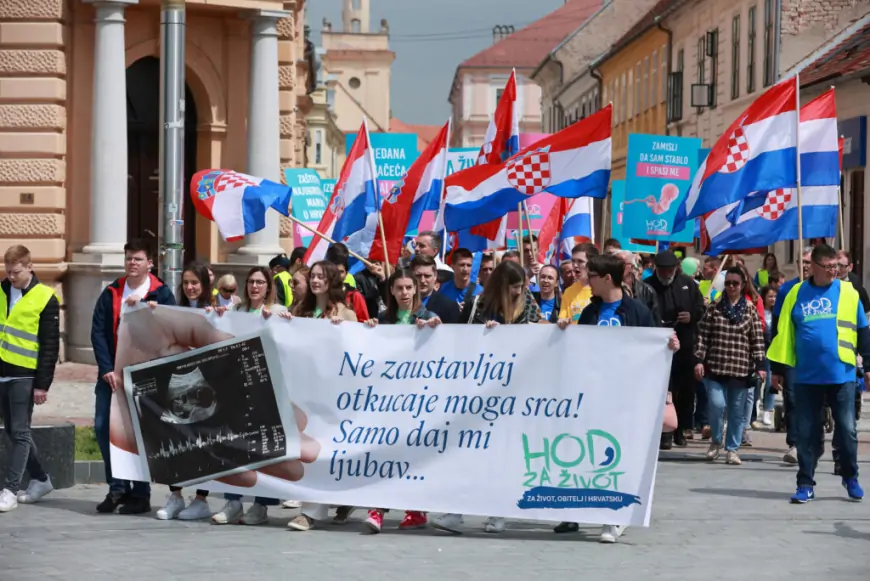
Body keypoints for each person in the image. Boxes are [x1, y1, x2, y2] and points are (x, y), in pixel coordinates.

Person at [554, 253, 679, 543]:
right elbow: (578, 350)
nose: (587, 280)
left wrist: (669, 349)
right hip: (592, 395)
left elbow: (655, 350)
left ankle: (615, 516)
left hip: (627, 397)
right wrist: (565, 332)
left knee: (617, 456)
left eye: (592, 275)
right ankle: (575, 512)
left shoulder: (636, 311)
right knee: (583, 452)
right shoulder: (590, 312)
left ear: (607, 279)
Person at [434, 261, 541, 535]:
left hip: (511, 394)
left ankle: (498, 512)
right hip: (476, 391)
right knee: (467, 453)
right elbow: (459, 340)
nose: (519, 292)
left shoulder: (526, 304)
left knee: (501, 455)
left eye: (521, 287)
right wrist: (484, 335)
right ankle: (455, 512)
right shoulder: (477, 305)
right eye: (514, 287)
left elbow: (538, 333)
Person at [769, 244, 868, 503]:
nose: (834, 272)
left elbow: (864, 330)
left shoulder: (848, 292)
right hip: (805, 377)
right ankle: (805, 483)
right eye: (828, 267)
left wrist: (868, 366)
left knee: (847, 430)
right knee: (807, 433)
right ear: (813, 266)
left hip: (842, 374)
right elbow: (782, 334)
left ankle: (850, 476)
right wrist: (777, 370)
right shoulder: (795, 293)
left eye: (837, 266)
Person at [91, 239, 176, 514]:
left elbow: (170, 329)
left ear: (150, 263)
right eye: (129, 258)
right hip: (111, 378)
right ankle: (117, 488)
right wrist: (106, 369)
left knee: (139, 435)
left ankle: (140, 494)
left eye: (138, 259)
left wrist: (147, 308)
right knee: (104, 429)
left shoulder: (161, 294)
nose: (132, 263)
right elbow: (99, 333)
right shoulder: (112, 292)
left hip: (144, 378)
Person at [362, 268, 441, 533]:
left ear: (416, 289)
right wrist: (369, 330)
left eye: (409, 288)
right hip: (388, 400)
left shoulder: (428, 317)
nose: (405, 293)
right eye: (399, 288)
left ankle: (415, 509)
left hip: (418, 401)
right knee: (385, 453)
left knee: (411, 456)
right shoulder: (384, 320)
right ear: (392, 292)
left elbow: (444, 350)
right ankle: (377, 509)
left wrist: (435, 330)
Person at [209, 266, 288, 526]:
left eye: (260, 282)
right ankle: (233, 501)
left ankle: (261, 505)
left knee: (263, 449)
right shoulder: (237, 312)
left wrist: (282, 321)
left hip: (265, 388)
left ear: (268, 287)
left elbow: (288, 339)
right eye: (251, 282)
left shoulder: (275, 311)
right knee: (235, 446)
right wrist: (218, 316)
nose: (255, 287)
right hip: (237, 388)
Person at [281, 261, 357, 531]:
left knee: (327, 449)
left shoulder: (344, 313)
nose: (315, 281)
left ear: (331, 281)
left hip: (332, 394)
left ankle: (317, 509)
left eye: (321, 277)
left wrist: (342, 332)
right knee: (310, 449)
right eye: (312, 276)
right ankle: (318, 505)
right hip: (304, 392)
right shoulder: (298, 310)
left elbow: (357, 351)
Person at [0, 245, 60, 512]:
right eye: (8, 271)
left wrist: (42, 384)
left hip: (24, 374)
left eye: (16, 272)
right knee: (13, 431)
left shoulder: (46, 297)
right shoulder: (1, 291)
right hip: (1, 372)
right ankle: (41, 479)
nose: (11, 277)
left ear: (29, 266)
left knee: (20, 432)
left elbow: (50, 346)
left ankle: (10, 490)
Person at [155, 262, 215, 521]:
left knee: (205, 443)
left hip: (206, 387)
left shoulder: (216, 312)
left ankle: (201, 499)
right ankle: (176, 495)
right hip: (179, 385)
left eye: (195, 283)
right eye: (186, 283)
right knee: (175, 439)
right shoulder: (175, 310)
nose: (190, 287)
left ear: (204, 285)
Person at [694, 267, 766, 465]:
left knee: (736, 411)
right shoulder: (714, 306)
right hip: (715, 366)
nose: (731, 287)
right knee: (717, 405)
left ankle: (732, 449)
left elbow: (757, 338)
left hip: (741, 368)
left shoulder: (750, 308)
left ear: (742, 286)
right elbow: (703, 335)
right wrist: (699, 360)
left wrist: (760, 364)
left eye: (735, 283)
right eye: (728, 283)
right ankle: (716, 441)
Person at [645, 250, 705, 449]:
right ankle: (665, 433)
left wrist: (692, 316)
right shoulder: (649, 286)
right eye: (662, 271)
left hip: (685, 344)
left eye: (670, 271)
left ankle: (681, 429)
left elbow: (701, 309)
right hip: (658, 345)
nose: (666, 275)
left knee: (685, 391)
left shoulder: (687, 284)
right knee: (664, 390)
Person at [771, 247, 813, 464]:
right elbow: (777, 328)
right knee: (793, 399)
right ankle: (795, 444)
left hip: (817, 357)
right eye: (802, 261)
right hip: (793, 356)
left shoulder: (829, 289)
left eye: (809, 261)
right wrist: (775, 368)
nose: (805, 265)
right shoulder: (786, 290)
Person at [325, 243, 370, 321]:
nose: (337, 276)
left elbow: (364, 326)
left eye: (341, 272)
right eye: (333, 271)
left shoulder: (355, 296)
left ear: (346, 273)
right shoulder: (320, 295)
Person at [410, 254, 460, 323]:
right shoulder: (401, 303)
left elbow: (453, 333)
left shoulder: (449, 307)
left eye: (427, 276)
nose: (422, 280)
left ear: (435, 276)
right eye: (418, 275)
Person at [557, 242, 597, 324]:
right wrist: (562, 323)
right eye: (573, 261)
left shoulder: (602, 290)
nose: (575, 265)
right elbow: (562, 319)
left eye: (580, 261)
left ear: (592, 263)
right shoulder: (568, 292)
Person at [616, 250, 659, 322]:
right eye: (614, 262)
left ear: (632, 267)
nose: (617, 266)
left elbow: (655, 322)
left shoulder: (647, 291)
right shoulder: (608, 288)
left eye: (621, 263)